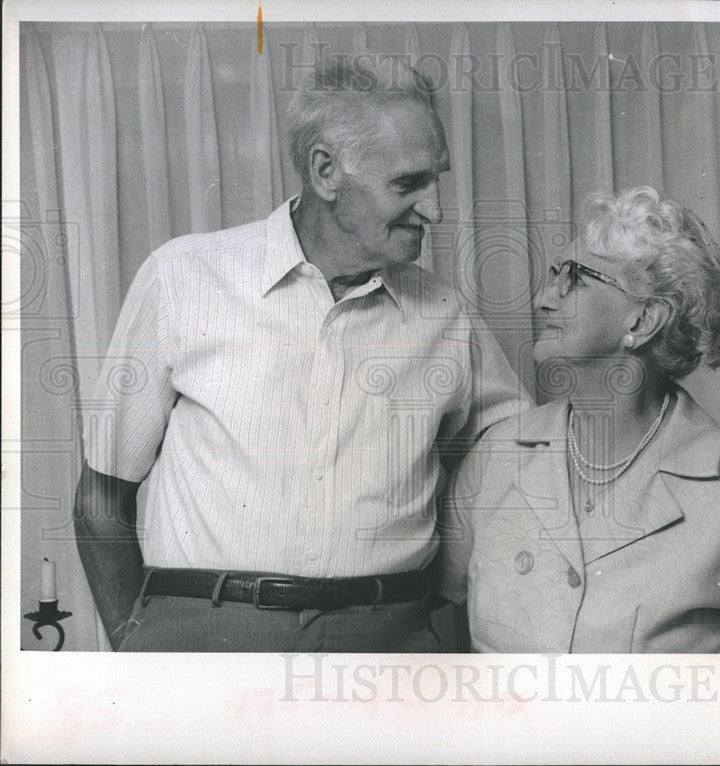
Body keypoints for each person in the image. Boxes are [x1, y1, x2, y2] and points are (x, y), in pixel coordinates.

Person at [74, 57, 529, 652]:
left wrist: (438, 608)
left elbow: (519, 457)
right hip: (205, 634)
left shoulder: (444, 313)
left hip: (388, 642)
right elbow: (102, 496)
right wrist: (133, 644)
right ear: (325, 172)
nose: (436, 210)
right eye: (409, 183)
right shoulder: (184, 275)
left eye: (437, 178)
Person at [439, 187, 720, 653]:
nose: (544, 298)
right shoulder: (495, 456)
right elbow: (443, 622)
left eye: (575, 278)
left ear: (644, 320)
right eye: (554, 274)